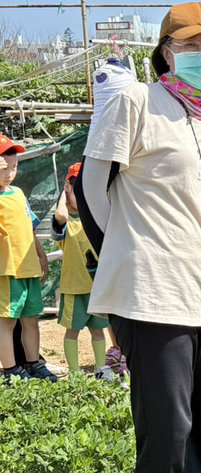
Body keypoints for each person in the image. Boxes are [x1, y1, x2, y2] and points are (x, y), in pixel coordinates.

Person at [78, 2, 201, 473]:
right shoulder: (136, 100)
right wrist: (121, 254)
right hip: (151, 295)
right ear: (166, 52)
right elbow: (92, 187)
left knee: (199, 430)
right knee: (167, 432)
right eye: (192, 45)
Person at [52, 162, 113, 380]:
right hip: (74, 287)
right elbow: (61, 216)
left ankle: (101, 368)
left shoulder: (95, 218)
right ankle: (75, 372)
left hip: (96, 286)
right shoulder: (65, 222)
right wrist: (65, 193)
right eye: (76, 190)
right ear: (68, 187)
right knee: (72, 331)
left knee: (98, 330)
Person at [0, 134, 53, 382]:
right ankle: (11, 370)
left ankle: (33, 364)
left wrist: (41, 255)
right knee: (7, 322)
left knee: (31, 319)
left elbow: (29, 228)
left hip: (28, 267)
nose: (9, 173)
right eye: (3, 168)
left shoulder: (19, 193)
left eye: (13, 167)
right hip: (8, 269)